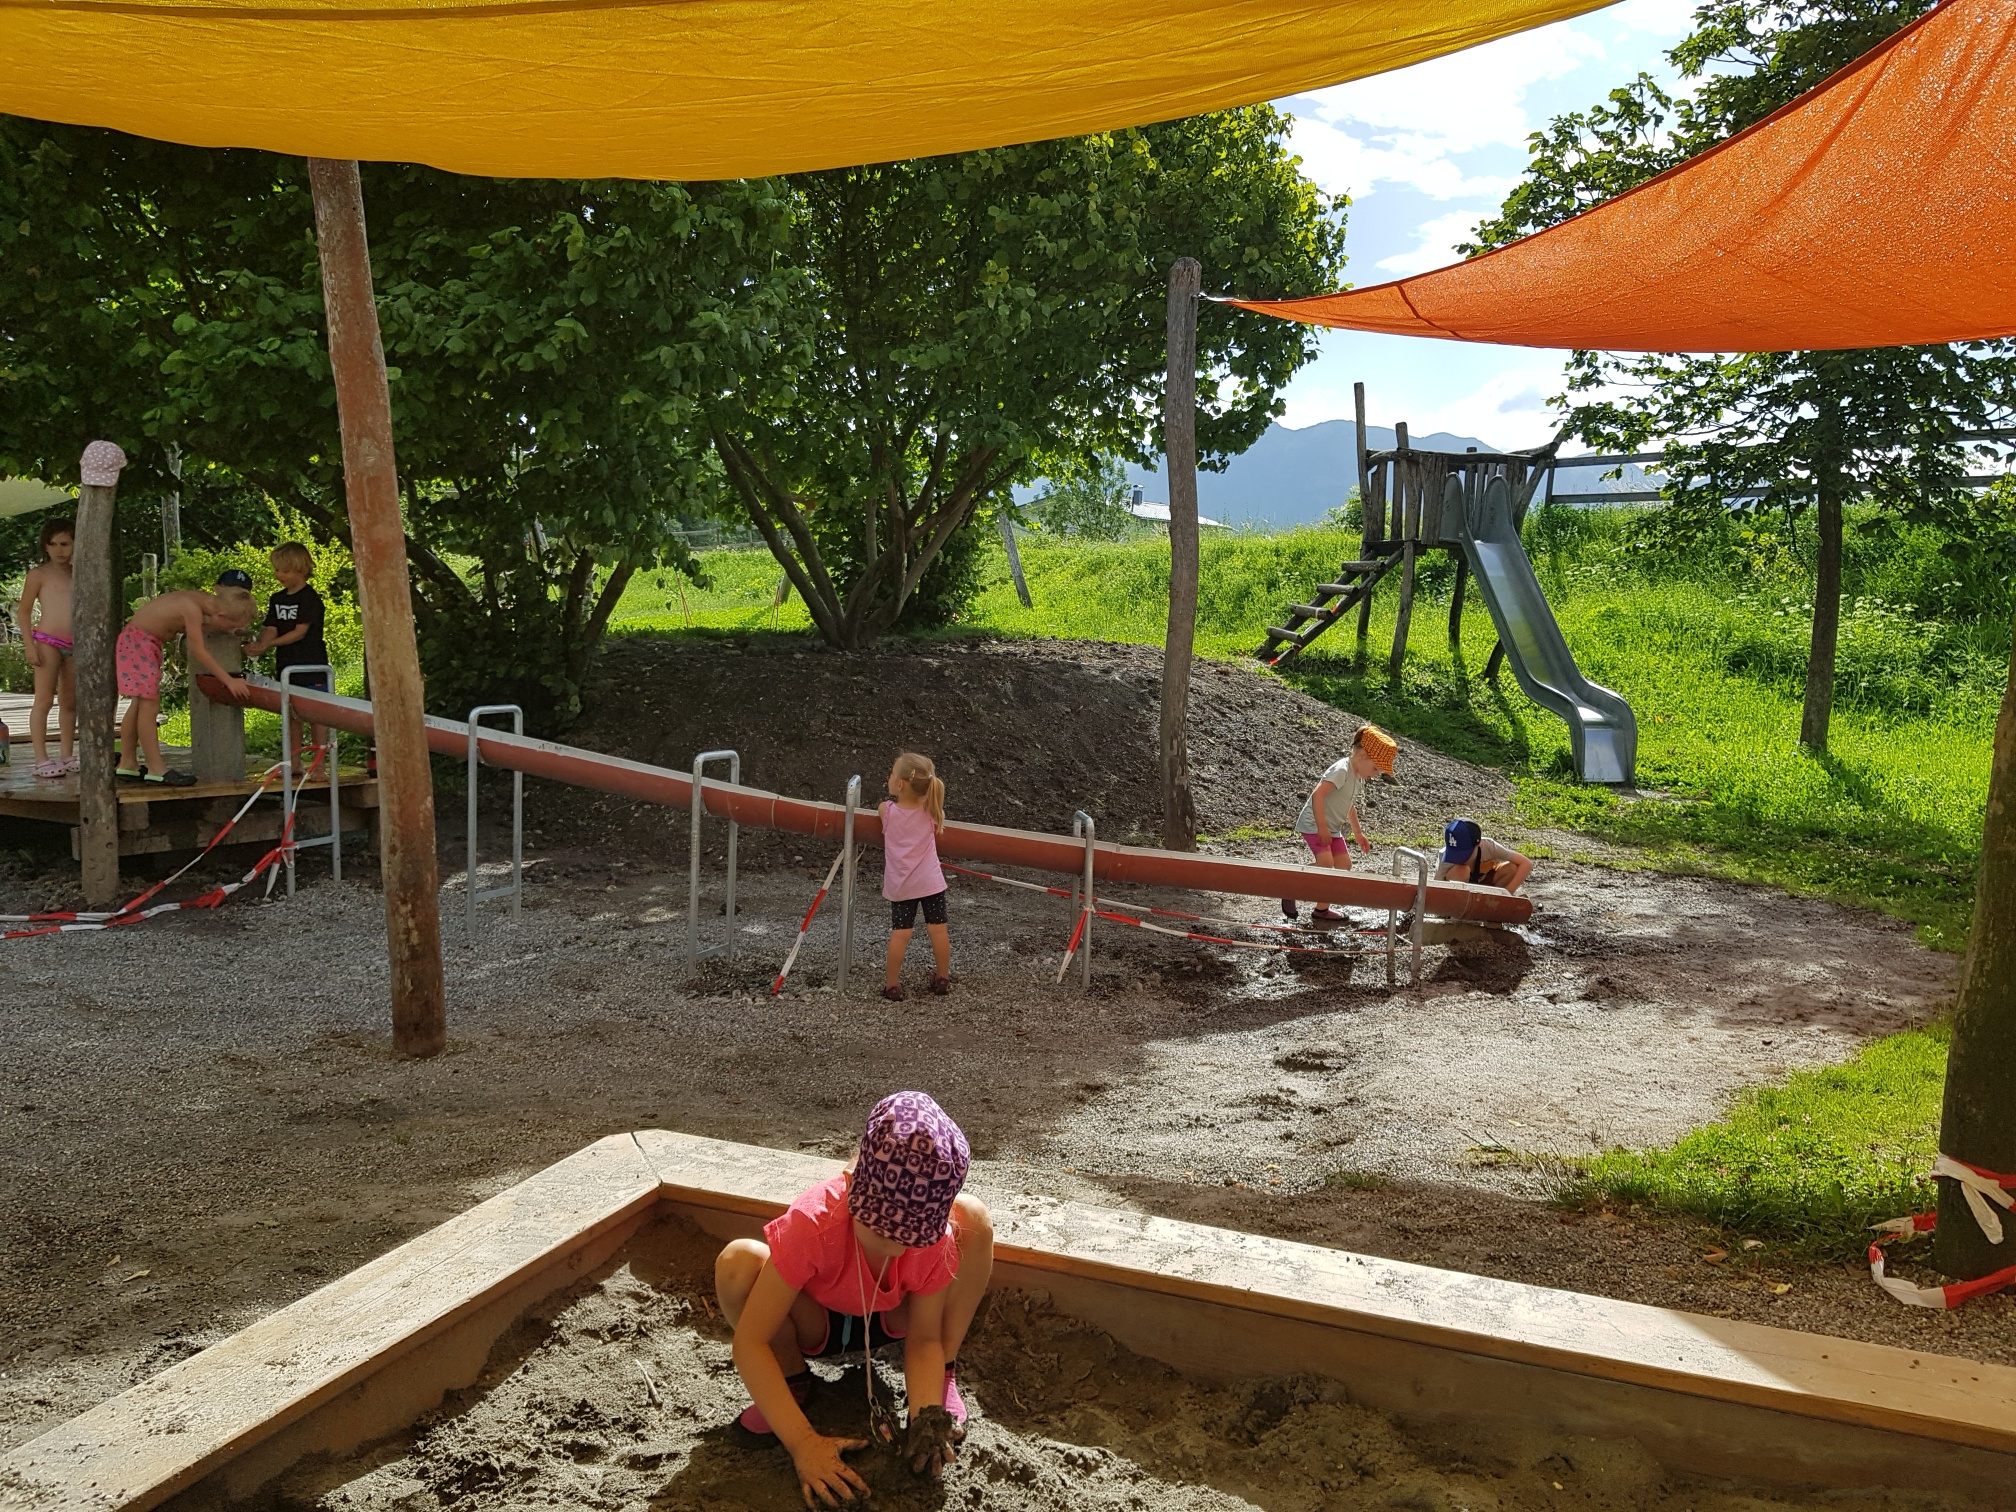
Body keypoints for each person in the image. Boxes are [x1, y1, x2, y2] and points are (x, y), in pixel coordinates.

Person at [715, 1091, 995, 1505]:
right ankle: (792, 1382)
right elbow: (750, 1342)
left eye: (911, 1239)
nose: (896, 1249)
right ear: (853, 1189)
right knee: (738, 1262)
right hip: (816, 1322)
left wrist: (924, 1420)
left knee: (975, 1219)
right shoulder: (813, 1223)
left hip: (890, 1318)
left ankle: (943, 1378)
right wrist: (803, 1444)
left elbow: (923, 1339)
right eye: (884, 1232)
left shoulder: (930, 1242)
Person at [115, 578, 253, 785]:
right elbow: (199, 651)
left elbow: (203, 625)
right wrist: (228, 680)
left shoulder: (204, 602)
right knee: (149, 705)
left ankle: (127, 763)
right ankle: (156, 768)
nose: (231, 630)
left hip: (141, 642)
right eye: (232, 626)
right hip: (139, 644)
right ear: (222, 615)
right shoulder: (191, 609)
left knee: (139, 704)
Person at [1283, 723, 1398, 924]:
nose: (1375, 774)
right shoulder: (1341, 770)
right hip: (1315, 824)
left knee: (1344, 865)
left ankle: (1321, 909)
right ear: (1362, 755)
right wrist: (1322, 828)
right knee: (1326, 863)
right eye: (1375, 768)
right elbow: (1317, 795)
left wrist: (1358, 833)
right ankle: (1291, 887)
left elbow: (1348, 806)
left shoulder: (1357, 776)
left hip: (1332, 828)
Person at [241, 543, 330, 765]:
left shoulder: (310, 598)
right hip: (286, 664)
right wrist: (261, 645)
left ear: (300, 569)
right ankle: (295, 763)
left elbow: (300, 632)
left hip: (311, 663)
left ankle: (319, 765)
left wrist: (270, 645)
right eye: (277, 570)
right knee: (292, 714)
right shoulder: (277, 598)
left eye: (284, 570)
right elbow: (272, 627)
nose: (278, 575)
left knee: (317, 715)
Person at [880, 752, 951, 1002]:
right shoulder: (931, 809)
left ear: (899, 784)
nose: (889, 777)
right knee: (939, 930)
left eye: (891, 773)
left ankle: (892, 985)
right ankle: (943, 977)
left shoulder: (887, 811)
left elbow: (884, 809)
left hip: (902, 886)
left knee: (901, 933)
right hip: (930, 882)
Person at [17, 517, 76, 778]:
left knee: (70, 701)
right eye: (53, 544)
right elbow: (24, 611)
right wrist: (29, 645)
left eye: (65, 543)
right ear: (45, 546)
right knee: (43, 700)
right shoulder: (38, 574)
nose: (59, 550)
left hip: (76, 643)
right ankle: (41, 758)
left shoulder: (80, 572)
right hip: (47, 641)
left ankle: (67, 754)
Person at [1436, 818, 1534, 895]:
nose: (1457, 858)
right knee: (1463, 870)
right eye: (1454, 853)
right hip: (1458, 894)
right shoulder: (1444, 857)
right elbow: (1436, 889)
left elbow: (1526, 863)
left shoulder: (1489, 846)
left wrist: (1508, 893)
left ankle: (1493, 902)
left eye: (1463, 853)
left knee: (1511, 868)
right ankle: (1457, 909)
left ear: (1478, 844)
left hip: (1484, 885)